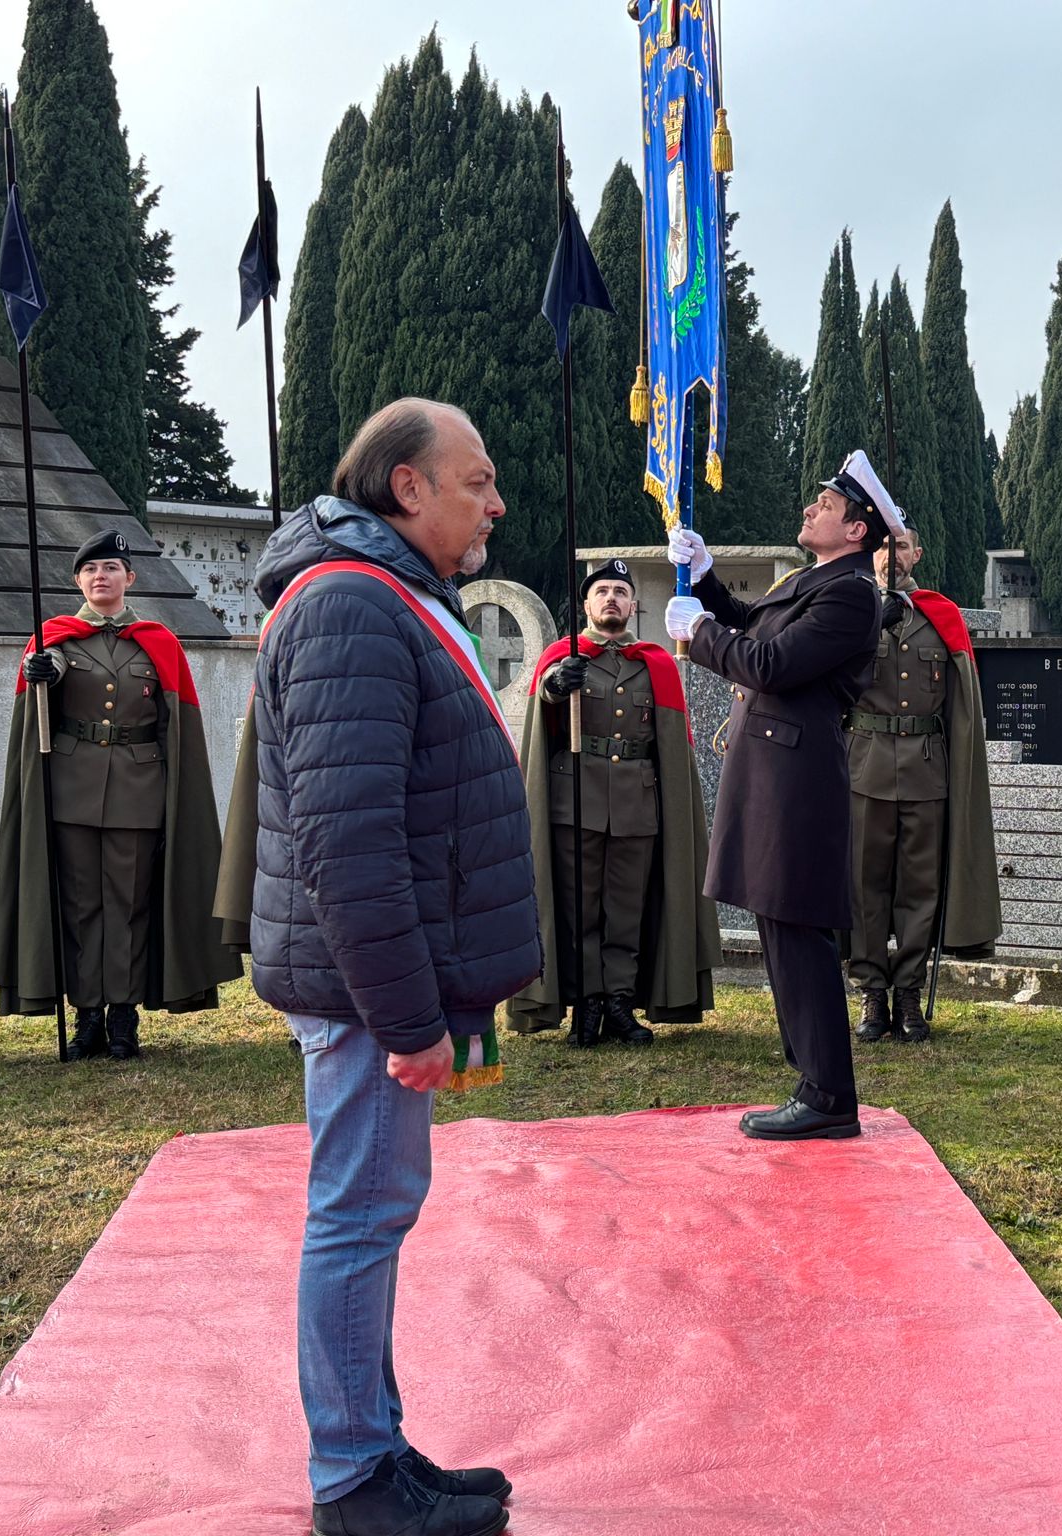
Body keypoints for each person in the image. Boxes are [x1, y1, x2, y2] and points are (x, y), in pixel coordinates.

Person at [227, 399, 538, 1536]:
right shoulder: (354, 605)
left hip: (379, 983)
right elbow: (346, 844)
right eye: (476, 479)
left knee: (374, 1209)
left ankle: (376, 1443)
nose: (494, 503)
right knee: (359, 1215)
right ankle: (352, 1480)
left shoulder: (384, 593)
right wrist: (411, 1020)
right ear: (406, 488)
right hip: (368, 996)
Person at [661, 450, 888, 1139]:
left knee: (796, 929)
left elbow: (770, 663)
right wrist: (703, 582)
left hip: (795, 774)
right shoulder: (815, 580)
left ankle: (828, 1097)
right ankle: (813, 1082)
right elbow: (755, 624)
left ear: (857, 530)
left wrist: (697, 634)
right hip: (771, 769)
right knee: (778, 924)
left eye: (825, 504)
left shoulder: (850, 593)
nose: (809, 509)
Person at [0, 528, 237, 1059]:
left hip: (139, 789)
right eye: (90, 569)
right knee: (81, 907)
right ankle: (87, 1018)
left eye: (110, 568)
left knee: (127, 906)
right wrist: (39, 671)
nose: (100, 577)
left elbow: (177, 726)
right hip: (72, 790)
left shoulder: (159, 641)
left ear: (131, 577)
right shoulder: (54, 639)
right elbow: (48, 678)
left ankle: (123, 1018)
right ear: (78, 580)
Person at [507, 557, 721, 1046]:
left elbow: (671, 746)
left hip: (636, 807)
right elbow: (544, 711)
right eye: (601, 591)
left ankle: (620, 1004)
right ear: (586, 604)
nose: (611, 599)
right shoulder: (565, 658)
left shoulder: (656, 665)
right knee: (578, 909)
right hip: (574, 802)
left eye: (619, 592)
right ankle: (586, 1004)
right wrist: (556, 687)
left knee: (626, 910)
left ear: (633, 604)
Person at [846, 526, 1000, 1043]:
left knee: (919, 888)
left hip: (927, 768)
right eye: (883, 546)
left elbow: (961, 709)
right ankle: (872, 991)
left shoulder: (943, 617)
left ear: (917, 553)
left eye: (901, 546)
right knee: (866, 887)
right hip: (863, 767)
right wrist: (866, 625)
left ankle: (908, 990)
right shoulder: (849, 611)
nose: (892, 556)